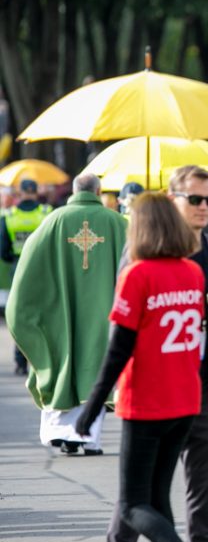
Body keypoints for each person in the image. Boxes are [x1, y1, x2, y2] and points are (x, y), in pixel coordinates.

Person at [74, 192, 208, 542]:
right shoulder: (192, 273)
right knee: (159, 500)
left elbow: (118, 349)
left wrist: (90, 409)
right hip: (186, 400)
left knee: (132, 504)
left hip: (147, 401)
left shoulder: (137, 275)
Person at [105, 166, 208, 542]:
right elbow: (123, 323)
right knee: (138, 493)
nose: (203, 208)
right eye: (194, 199)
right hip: (154, 390)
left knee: (202, 493)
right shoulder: (141, 253)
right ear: (172, 198)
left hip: (203, 389)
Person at [6, 173, 126, 454]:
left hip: (61, 315)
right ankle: (86, 437)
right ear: (98, 192)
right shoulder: (118, 224)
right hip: (104, 315)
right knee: (95, 368)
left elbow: (27, 273)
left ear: (74, 191)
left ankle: (60, 433)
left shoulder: (52, 222)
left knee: (61, 365)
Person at [2, 178, 53, 374]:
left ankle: (20, 360)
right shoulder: (46, 213)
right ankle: (43, 361)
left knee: (20, 315)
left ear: (20, 192)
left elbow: (3, 251)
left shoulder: (9, 216)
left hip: (18, 269)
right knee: (44, 315)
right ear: (36, 192)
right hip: (43, 269)